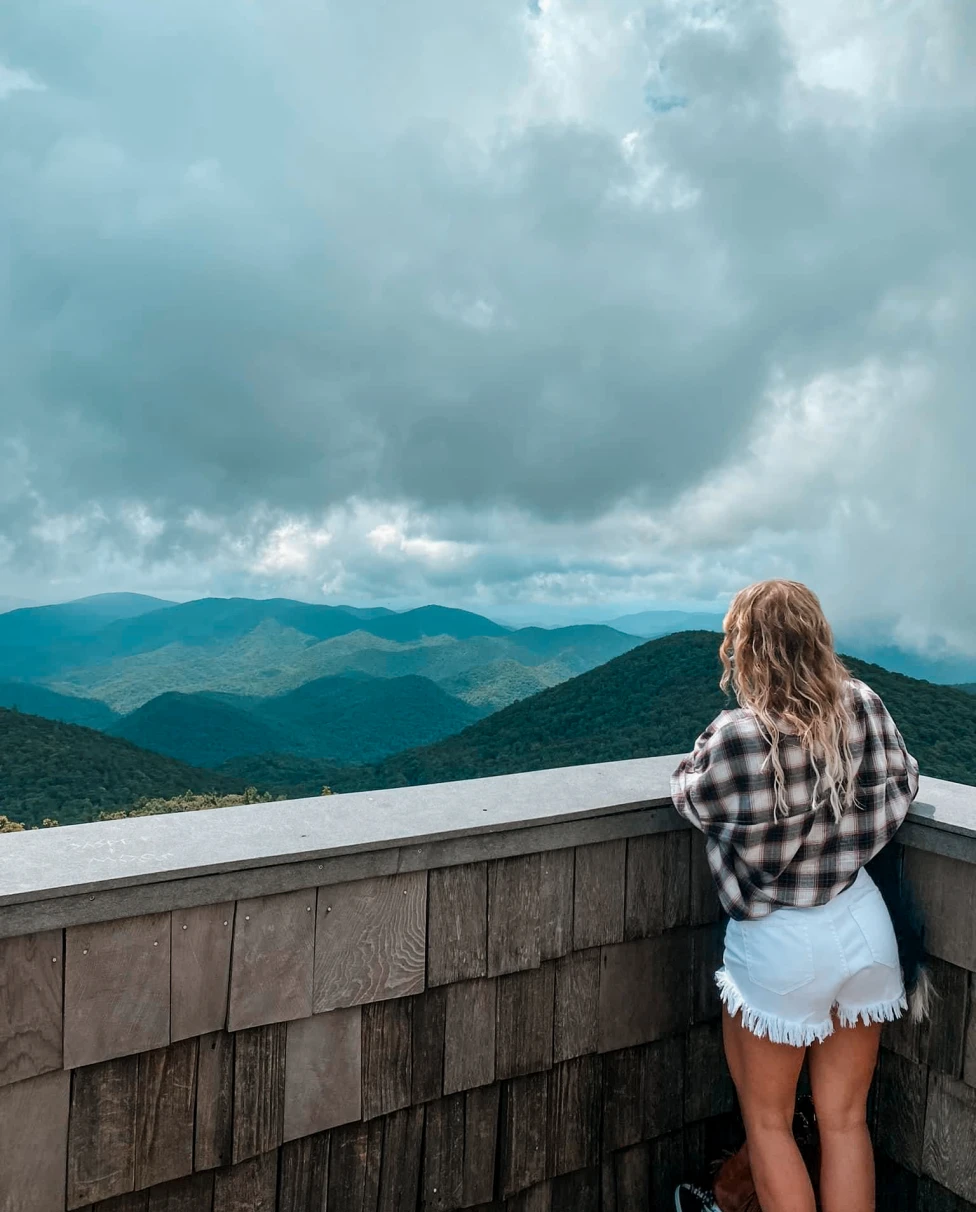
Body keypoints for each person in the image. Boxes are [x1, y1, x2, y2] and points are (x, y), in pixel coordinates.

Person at [668, 580, 921, 1212]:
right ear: (817, 637)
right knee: (844, 1121)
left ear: (745, 649)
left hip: (781, 943)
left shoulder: (736, 736)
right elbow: (905, 779)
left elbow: (691, 795)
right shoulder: (861, 705)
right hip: (863, 925)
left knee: (771, 1124)